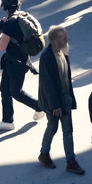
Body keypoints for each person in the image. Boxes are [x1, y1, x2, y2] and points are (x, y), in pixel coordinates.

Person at [0, 0, 44, 130]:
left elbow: (1, 46)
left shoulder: (10, 23)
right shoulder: (21, 16)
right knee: (4, 89)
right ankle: (7, 121)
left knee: (16, 92)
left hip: (17, 63)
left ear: (4, 6)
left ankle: (40, 107)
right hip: (18, 60)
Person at [37, 26, 84, 174]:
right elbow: (47, 83)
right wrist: (55, 105)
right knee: (53, 126)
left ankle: (70, 161)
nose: (67, 40)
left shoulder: (63, 50)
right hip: (55, 102)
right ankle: (44, 154)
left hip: (66, 99)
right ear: (56, 41)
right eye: (64, 38)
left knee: (67, 130)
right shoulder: (47, 57)